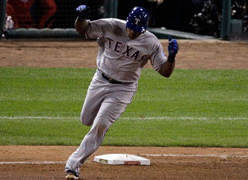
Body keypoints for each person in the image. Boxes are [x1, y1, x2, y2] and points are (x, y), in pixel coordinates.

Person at [65, 5, 179, 180]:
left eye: (138, 31)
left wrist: (171, 58)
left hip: (123, 88)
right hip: (100, 80)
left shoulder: (151, 43)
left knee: (101, 124)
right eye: (131, 29)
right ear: (127, 22)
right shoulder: (112, 26)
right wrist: (80, 18)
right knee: (86, 119)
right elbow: (84, 30)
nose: (133, 33)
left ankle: (72, 167)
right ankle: (93, 135)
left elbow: (165, 72)